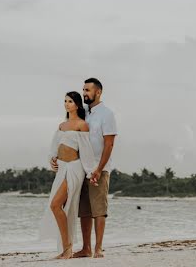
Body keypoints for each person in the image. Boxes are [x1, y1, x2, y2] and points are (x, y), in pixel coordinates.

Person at [39, 92, 98, 259]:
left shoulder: (82, 125)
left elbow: (86, 153)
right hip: (62, 168)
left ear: (77, 105)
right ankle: (66, 248)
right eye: (65, 101)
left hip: (74, 168)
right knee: (58, 207)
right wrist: (52, 160)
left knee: (56, 205)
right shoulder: (61, 126)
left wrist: (91, 173)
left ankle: (67, 249)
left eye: (70, 101)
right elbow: (53, 148)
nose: (66, 104)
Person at [75, 78, 117, 259]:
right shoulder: (83, 113)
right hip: (81, 168)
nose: (84, 93)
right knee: (84, 210)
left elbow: (109, 145)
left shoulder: (107, 114)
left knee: (99, 209)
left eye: (88, 90)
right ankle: (86, 248)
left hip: (99, 168)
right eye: (83, 90)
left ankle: (98, 248)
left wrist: (99, 169)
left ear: (98, 92)